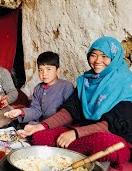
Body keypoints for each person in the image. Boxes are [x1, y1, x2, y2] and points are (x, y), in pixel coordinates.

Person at [17, 36, 132, 169]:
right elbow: (69, 111)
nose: (98, 61)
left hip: (114, 136)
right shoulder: (86, 81)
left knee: (108, 144)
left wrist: (75, 134)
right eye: (93, 55)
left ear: (114, 58)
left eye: (104, 56)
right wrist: (41, 126)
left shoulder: (125, 84)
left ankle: (73, 151)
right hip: (85, 131)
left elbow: (111, 125)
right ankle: (79, 154)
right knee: (39, 137)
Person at [4, 51, 73, 127]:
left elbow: (68, 113)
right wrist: (20, 112)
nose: (44, 73)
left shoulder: (66, 86)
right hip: (40, 123)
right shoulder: (38, 88)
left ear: (57, 71)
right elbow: (36, 110)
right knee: (17, 126)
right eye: (40, 70)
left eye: (48, 69)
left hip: (58, 125)